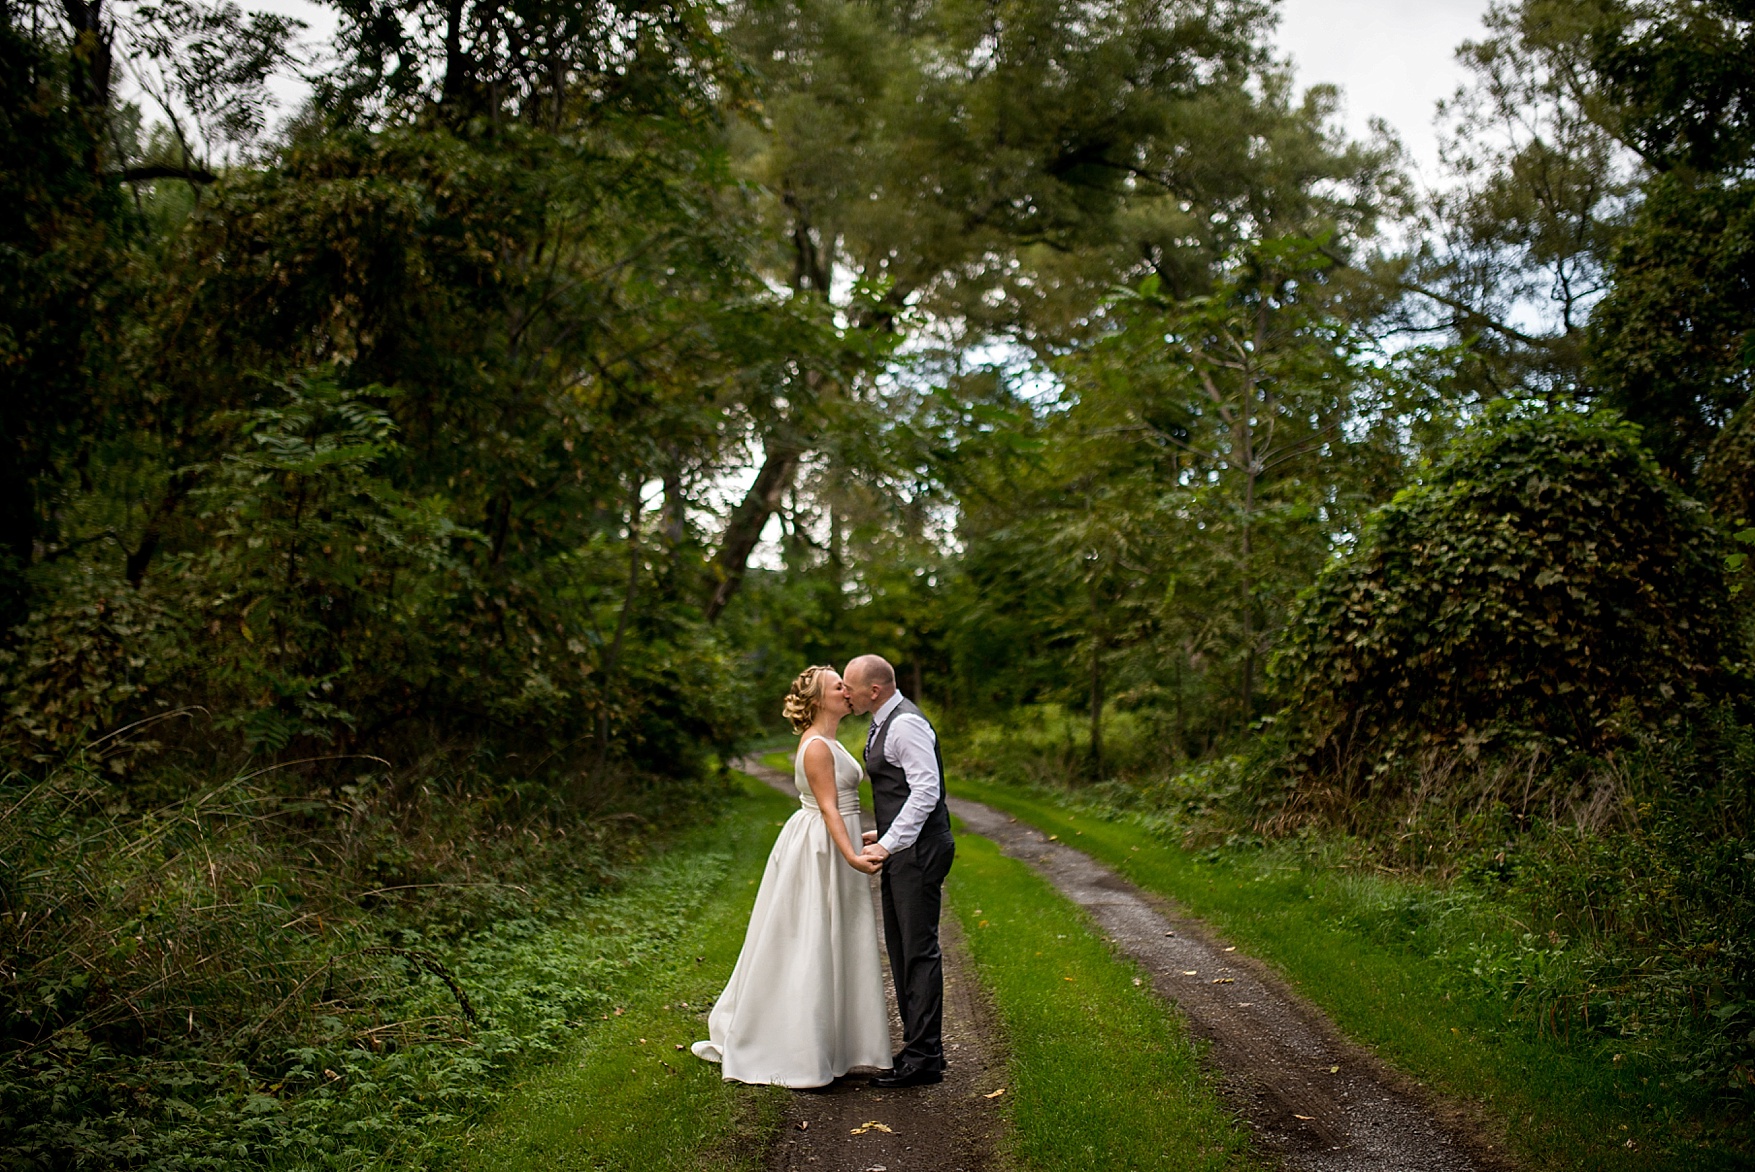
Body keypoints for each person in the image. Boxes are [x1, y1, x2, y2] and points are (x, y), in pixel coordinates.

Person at [690, 666, 891, 1087]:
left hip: (836, 838)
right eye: (837, 685)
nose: (845, 689)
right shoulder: (816, 746)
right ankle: (799, 1046)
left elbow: (844, 805)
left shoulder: (832, 740)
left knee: (837, 937)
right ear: (819, 700)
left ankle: (841, 1043)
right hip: (821, 847)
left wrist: (863, 833)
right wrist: (852, 855)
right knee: (811, 937)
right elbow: (828, 808)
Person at [845, 653, 955, 1088]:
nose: (846, 695)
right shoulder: (884, 720)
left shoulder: (905, 723)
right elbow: (903, 788)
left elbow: (927, 790)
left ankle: (925, 1057)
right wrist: (883, 833)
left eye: (851, 688)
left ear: (874, 690)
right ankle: (920, 1047)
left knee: (918, 950)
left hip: (918, 852)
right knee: (902, 948)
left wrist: (891, 843)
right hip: (906, 847)